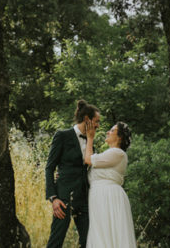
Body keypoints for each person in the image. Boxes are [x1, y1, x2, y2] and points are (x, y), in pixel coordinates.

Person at [45, 99, 101, 248]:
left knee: (89, 241)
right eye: (96, 121)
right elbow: (49, 168)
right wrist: (53, 198)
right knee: (56, 240)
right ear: (87, 119)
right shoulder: (62, 136)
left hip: (84, 198)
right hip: (64, 198)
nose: (98, 125)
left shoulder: (91, 141)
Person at [83, 121, 137, 248]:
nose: (108, 132)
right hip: (98, 195)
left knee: (109, 231)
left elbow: (88, 159)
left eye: (112, 130)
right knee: (100, 232)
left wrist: (90, 138)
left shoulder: (118, 153)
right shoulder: (107, 154)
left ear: (119, 137)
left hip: (109, 196)